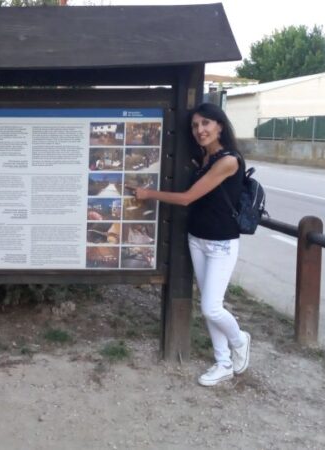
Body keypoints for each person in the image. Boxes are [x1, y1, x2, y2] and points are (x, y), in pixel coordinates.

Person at [135, 103, 251, 387]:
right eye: (195, 125)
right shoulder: (205, 160)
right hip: (197, 239)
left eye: (206, 123)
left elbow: (188, 198)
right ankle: (223, 362)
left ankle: (240, 339)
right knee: (210, 303)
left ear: (220, 126)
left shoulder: (228, 161)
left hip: (221, 243)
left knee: (211, 307)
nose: (200, 130)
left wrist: (149, 193)